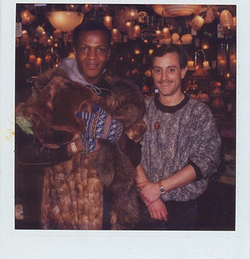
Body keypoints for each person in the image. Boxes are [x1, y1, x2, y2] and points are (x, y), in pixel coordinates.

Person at [15, 20, 145, 230]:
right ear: (75, 50)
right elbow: (24, 155)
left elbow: (135, 156)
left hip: (111, 212)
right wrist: (73, 147)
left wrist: (116, 133)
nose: (92, 57)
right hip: (66, 211)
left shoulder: (123, 97)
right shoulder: (53, 91)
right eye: (85, 48)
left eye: (100, 49)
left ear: (108, 53)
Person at [136, 44, 221, 230]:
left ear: (183, 72)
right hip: (141, 205)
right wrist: (148, 194)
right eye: (158, 70)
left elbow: (205, 161)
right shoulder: (141, 108)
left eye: (171, 70)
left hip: (183, 210)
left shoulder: (199, 113)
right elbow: (128, 150)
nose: (164, 78)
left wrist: (158, 188)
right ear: (152, 73)